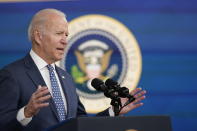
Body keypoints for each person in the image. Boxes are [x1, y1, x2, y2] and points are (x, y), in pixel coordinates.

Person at [0, 8, 146, 131]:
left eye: (66, 35)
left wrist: (113, 111)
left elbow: (80, 123)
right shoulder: (12, 75)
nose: (65, 40)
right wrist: (26, 113)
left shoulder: (66, 78)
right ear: (38, 36)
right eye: (58, 34)